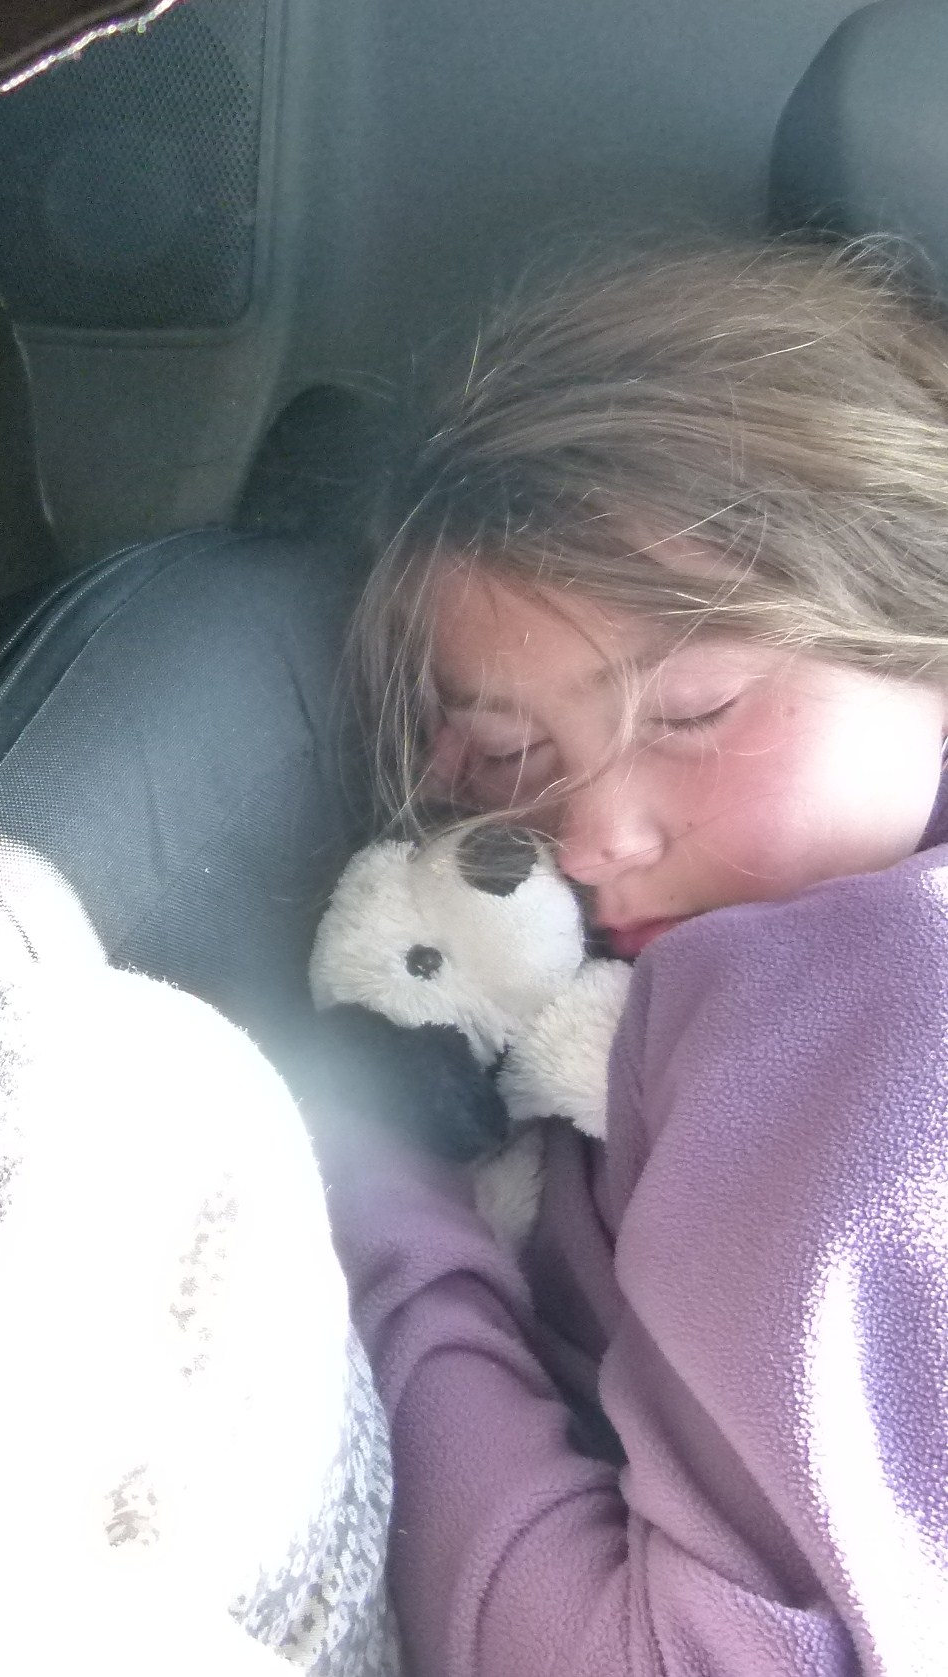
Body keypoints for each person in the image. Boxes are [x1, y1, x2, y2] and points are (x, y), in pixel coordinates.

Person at [330, 237, 948, 1674]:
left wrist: (380, 1212)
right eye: (508, 757)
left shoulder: (870, 985)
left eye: (691, 712)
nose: (595, 835)